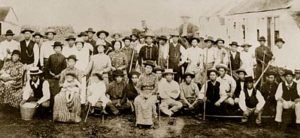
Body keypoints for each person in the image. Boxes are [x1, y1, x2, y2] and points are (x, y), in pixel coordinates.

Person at [134, 60, 158, 127]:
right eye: (147, 67)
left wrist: (150, 94)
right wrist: (141, 94)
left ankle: (150, 122)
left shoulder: (155, 76)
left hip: (152, 93)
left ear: (152, 69)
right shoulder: (141, 76)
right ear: (145, 68)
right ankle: (139, 121)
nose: (148, 69)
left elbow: (156, 88)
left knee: (149, 102)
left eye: (150, 68)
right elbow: (137, 87)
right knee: (137, 100)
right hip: (143, 93)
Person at [47, 41, 67, 107]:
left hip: (59, 78)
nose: (57, 49)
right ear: (54, 49)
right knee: (50, 92)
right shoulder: (51, 57)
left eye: (59, 48)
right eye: (56, 48)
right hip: (51, 78)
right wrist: (51, 73)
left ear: (61, 49)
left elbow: (64, 69)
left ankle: (57, 107)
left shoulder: (63, 57)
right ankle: (51, 108)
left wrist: (59, 75)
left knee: (57, 93)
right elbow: (47, 67)